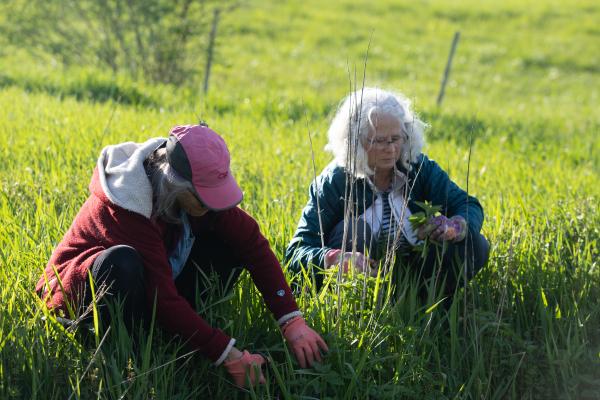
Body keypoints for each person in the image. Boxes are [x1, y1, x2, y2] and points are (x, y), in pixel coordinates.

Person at [36, 123, 328, 388]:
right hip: (77, 298)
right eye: (201, 197)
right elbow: (161, 297)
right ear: (173, 182)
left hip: (153, 287)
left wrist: (292, 321)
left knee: (231, 245)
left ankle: (177, 336)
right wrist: (227, 354)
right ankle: (124, 356)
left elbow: (253, 243)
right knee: (122, 263)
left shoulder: (191, 199)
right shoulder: (128, 204)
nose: (209, 205)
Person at [285, 88, 489, 296]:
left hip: (418, 274)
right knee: (355, 231)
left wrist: (455, 226)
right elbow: (296, 252)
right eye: (379, 141)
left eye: (396, 138)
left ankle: (433, 306)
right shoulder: (334, 181)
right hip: (360, 282)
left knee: (475, 244)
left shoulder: (418, 167)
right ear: (355, 141)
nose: (390, 148)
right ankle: (358, 307)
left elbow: (467, 204)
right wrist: (333, 258)